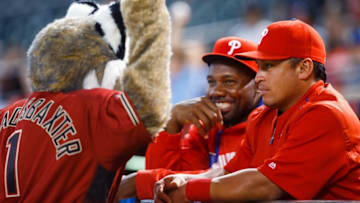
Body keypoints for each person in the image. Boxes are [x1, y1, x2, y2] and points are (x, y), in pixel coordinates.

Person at [152, 19, 360, 202]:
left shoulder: (326, 114)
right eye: (259, 66)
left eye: (269, 66)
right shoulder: (263, 116)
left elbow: (266, 186)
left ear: (304, 69)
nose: (259, 76)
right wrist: (186, 179)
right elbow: (228, 172)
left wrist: (189, 190)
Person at [0, 0, 171, 202]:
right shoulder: (92, 105)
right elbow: (150, 109)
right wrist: (149, 18)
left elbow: (70, 179)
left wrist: (141, 181)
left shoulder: (8, 114)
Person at [110, 36, 261, 202]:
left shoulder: (269, 125)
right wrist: (170, 122)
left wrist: (139, 182)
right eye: (211, 82)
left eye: (229, 82)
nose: (216, 92)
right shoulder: (205, 127)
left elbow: (244, 180)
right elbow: (165, 193)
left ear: (258, 85)